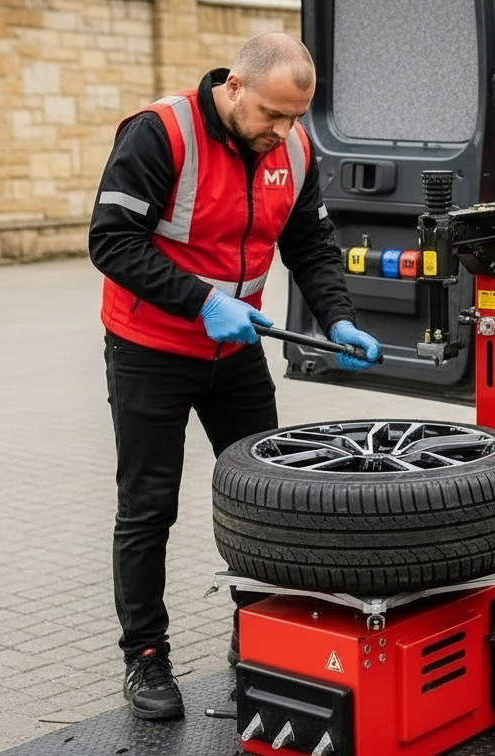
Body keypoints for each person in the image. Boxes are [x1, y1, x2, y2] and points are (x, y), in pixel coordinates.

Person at [88, 31, 380, 721]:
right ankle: (146, 658)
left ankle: (258, 636)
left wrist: (337, 317)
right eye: (271, 115)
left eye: (293, 118)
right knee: (148, 506)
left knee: (266, 498)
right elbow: (110, 240)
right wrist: (201, 300)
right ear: (235, 87)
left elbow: (309, 242)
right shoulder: (161, 133)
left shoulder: (295, 148)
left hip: (235, 351)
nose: (280, 132)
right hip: (151, 347)